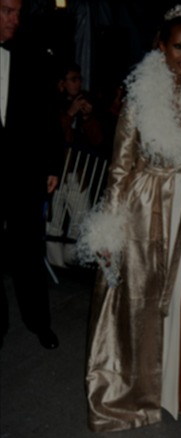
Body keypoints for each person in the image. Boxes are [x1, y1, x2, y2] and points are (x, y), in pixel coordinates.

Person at [77, 5, 181, 432]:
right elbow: (120, 167)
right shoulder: (142, 93)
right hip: (144, 207)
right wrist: (110, 227)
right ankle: (138, 393)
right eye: (178, 46)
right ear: (161, 46)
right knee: (142, 307)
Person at [0, 0, 62, 351]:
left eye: (18, 11)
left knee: (29, 253)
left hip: (25, 174)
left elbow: (47, 115)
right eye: (7, 10)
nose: (15, 18)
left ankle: (40, 323)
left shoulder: (30, 54)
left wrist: (53, 164)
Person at [56, 62, 105, 155]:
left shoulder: (85, 99)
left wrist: (87, 117)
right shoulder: (55, 104)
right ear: (62, 83)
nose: (78, 83)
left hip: (80, 163)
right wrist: (70, 114)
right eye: (74, 80)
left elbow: (97, 140)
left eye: (80, 79)